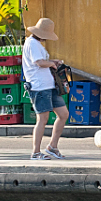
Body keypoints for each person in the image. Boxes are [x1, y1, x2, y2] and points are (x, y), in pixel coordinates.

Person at [23, 17, 67, 161]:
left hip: (48, 85)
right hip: (39, 86)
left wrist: (51, 62)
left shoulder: (35, 43)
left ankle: (52, 146)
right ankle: (35, 152)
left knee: (63, 114)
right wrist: (52, 64)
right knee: (42, 119)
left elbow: (42, 62)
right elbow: (40, 63)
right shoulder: (33, 44)